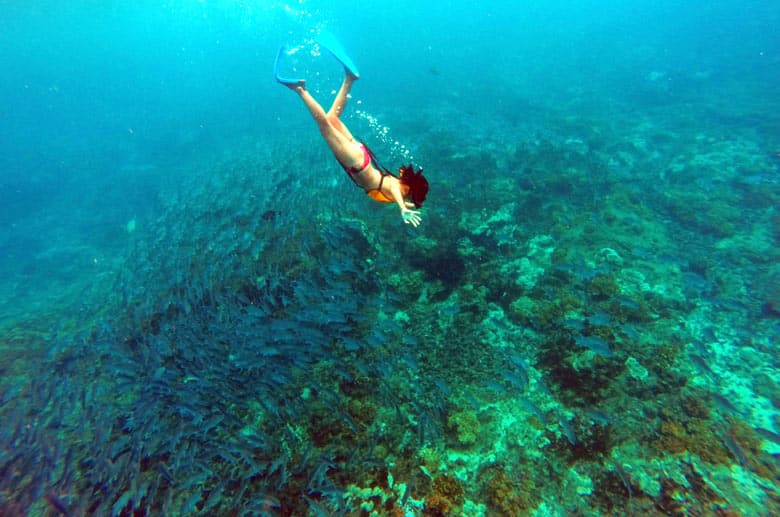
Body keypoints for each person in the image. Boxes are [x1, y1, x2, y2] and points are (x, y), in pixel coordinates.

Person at [275, 40, 428, 227]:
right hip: (357, 163)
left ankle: (349, 79)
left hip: (360, 155)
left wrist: (405, 204)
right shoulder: (400, 189)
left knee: (331, 119)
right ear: (412, 189)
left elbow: (397, 192)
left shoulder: (403, 192)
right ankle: (300, 89)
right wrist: (402, 208)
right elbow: (395, 189)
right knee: (325, 127)